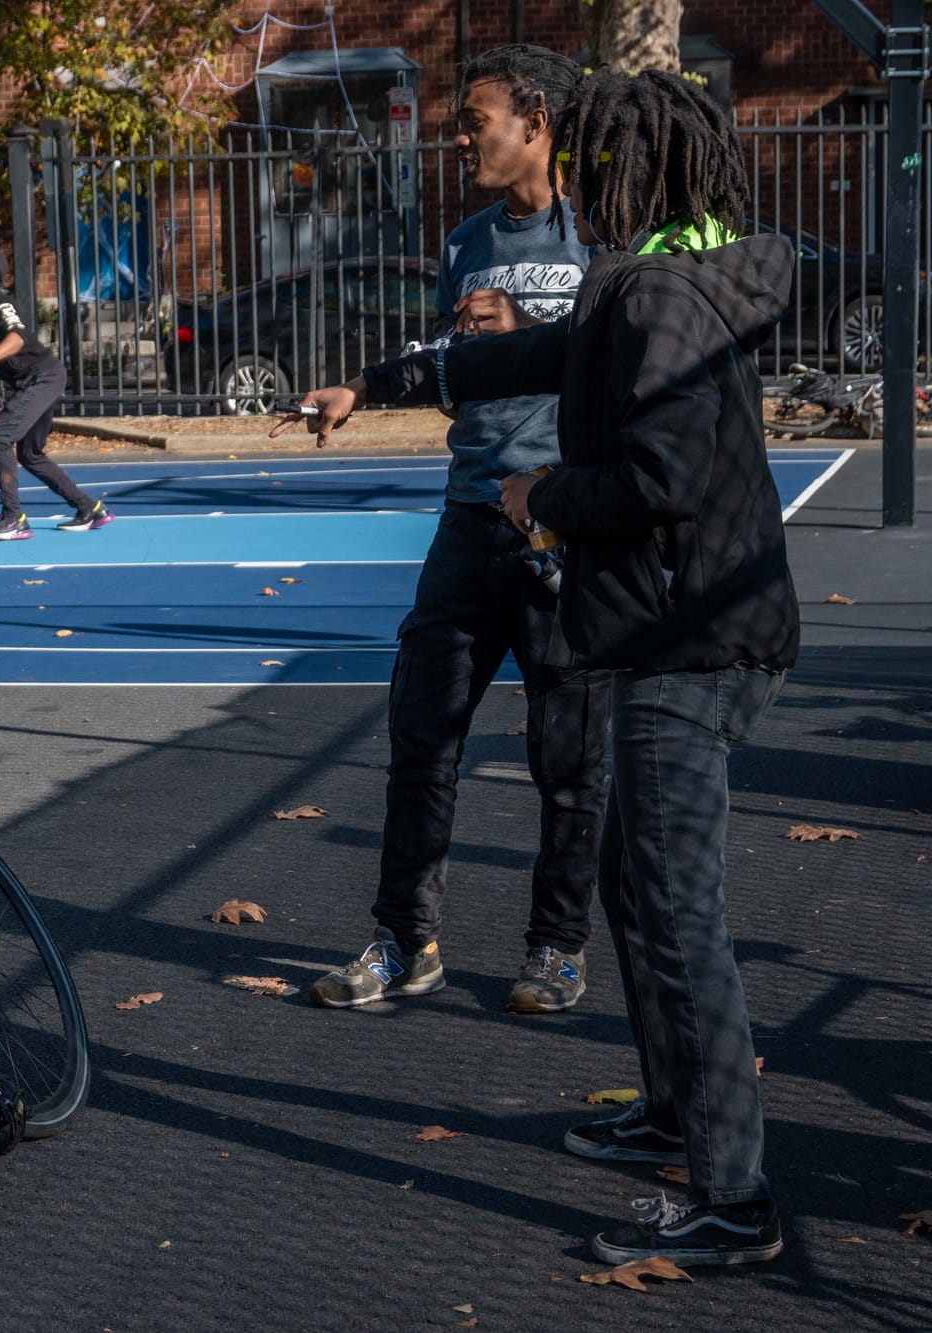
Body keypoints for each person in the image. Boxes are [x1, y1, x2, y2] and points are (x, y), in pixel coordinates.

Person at [282, 69, 797, 1268]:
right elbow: (532, 359)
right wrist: (396, 380)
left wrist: (540, 494)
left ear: (627, 165)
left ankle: (733, 1195)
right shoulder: (660, 281)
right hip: (681, 627)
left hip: (689, 640)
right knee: (636, 889)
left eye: (602, 156)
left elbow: (660, 480)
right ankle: (671, 1113)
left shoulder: (662, 296)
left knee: (675, 914)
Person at [304, 45, 609, 1015]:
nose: (458, 134)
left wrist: (522, 326)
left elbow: (630, 374)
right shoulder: (467, 239)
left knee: (564, 757)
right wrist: (363, 386)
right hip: (467, 523)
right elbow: (444, 357)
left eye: (473, 117)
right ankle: (404, 941)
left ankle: (556, 947)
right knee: (420, 736)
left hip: (562, 531)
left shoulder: (604, 241)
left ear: (535, 119)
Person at [0, 244, 111, 540]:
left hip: (42, 377)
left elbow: (17, 336)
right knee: (29, 454)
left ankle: (13, 518)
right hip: (38, 379)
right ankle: (89, 509)